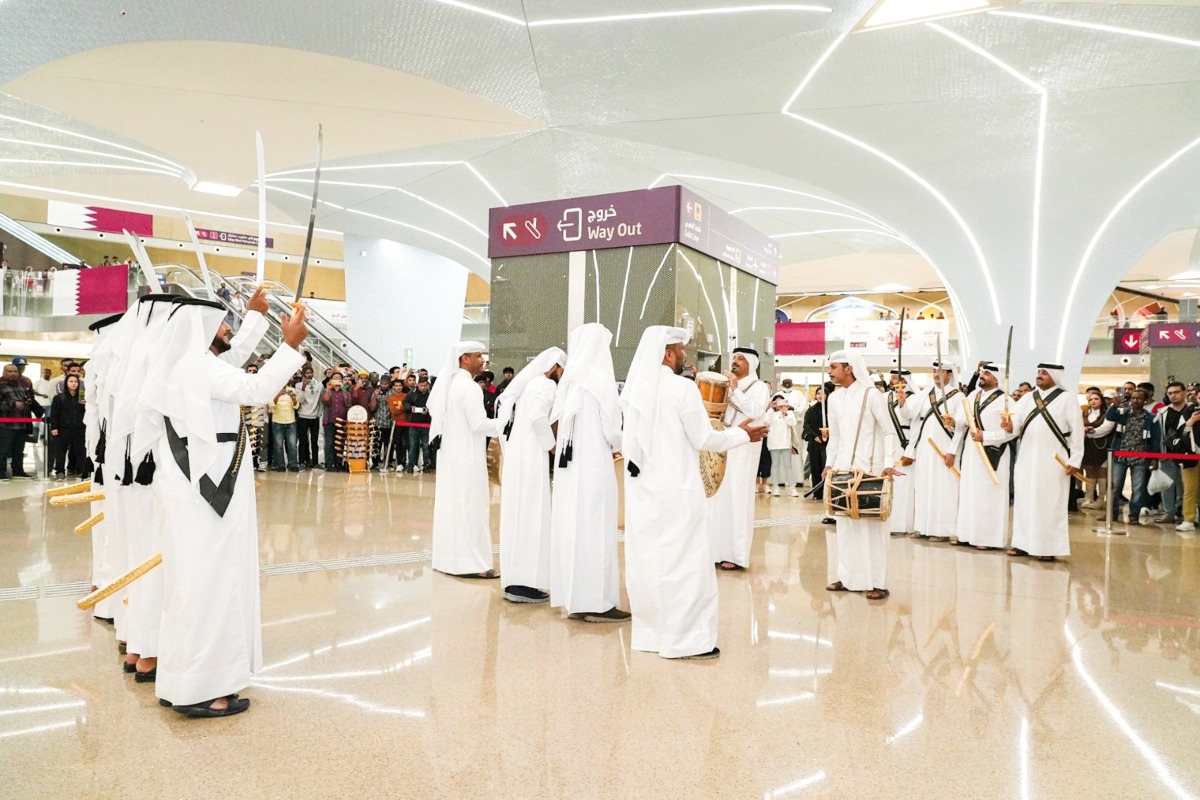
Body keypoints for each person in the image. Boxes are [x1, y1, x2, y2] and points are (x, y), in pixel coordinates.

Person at [148, 297, 308, 717]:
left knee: (191, 583)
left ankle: (182, 680)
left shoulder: (187, 364)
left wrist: (256, 317)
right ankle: (202, 691)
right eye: (221, 324)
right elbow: (255, 389)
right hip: (208, 489)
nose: (227, 330)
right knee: (210, 584)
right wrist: (290, 345)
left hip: (193, 486)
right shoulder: (200, 367)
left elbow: (233, 360)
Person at [620, 326, 767, 660]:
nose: (684, 355)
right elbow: (705, 439)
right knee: (684, 563)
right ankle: (686, 640)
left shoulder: (634, 390)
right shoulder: (681, 388)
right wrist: (742, 435)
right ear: (667, 354)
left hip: (643, 492)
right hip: (677, 490)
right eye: (680, 349)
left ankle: (651, 636)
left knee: (647, 561)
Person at [548, 324, 628, 622]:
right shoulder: (600, 382)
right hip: (594, 468)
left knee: (574, 529)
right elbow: (613, 432)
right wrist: (623, 446)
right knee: (597, 529)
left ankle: (577, 600)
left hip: (569, 473)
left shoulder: (569, 384)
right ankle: (598, 603)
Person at [822, 351, 902, 601]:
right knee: (845, 526)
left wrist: (888, 463)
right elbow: (835, 436)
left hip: (871, 468)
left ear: (849, 368)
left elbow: (889, 431)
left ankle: (878, 582)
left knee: (872, 528)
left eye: (834, 367)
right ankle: (848, 578)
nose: (830, 371)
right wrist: (829, 464)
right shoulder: (834, 398)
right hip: (843, 469)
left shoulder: (872, 395)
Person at [495, 347, 567, 603]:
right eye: (562, 370)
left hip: (519, 457)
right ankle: (524, 583)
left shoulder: (528, 385)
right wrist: (553, 446)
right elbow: (538, 417)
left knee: (519, 517)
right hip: (531, 458)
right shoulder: (547, 385)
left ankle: (517, 580)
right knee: (531, 517)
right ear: (555, 367)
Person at [428, 342, 505, 578]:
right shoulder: (470, 388)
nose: (483, 360)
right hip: (468, 458)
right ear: (464, 359)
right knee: (472, 509)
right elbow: (479, 424)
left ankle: (449, 560)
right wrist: (506, 423)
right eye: (478, 356)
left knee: (453, 507)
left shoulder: (449, 385)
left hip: (451, 457)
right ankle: (474, 564)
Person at [1002, 364, 1085, 561]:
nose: (1039, 375)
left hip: (1054, 460)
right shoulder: (1027, 398)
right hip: (1026, 458)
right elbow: (1016, 427)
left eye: (1044, 373)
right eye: (1038, 372)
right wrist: (1009, 426)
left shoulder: (1067, 398)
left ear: (1055, 376)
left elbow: (1077, 430)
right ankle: (1022, 543)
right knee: (1024, 501)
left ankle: (1048, 547)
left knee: (1049, 503)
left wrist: (1075, 459)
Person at [709, 347, 770, 570]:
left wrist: (734, 390)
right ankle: (717, 551)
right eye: (734, 358)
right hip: (724, 442)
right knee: (719, 498)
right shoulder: (728, 384)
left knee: (738, 499)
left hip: (744, 448)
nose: (734, 361)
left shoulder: (759, 387)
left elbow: (755, 411)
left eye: (740, 359)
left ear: (751, 364)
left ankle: (736, 555)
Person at [951, 362, 1014, 550]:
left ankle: (987, 539)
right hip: (972, 452)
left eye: (987, 373)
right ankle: (966, 534)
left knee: (989, 495)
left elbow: (1012, 431)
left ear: (997, 378)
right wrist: (953, 421)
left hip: (994, 453)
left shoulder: (1007, 401)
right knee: (970, 492)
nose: (982, 376)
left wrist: (986, 436)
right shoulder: (973, 396)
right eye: (982, 373)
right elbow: (962, 421)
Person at [904, 360, 961, 542]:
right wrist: (902, 402)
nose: (936, 374)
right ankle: (922, 527)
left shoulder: (958, 396)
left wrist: (952, 451)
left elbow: (961, 428)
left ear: (949, 374)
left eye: (940, 371)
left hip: (945, 448)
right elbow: (909, 414)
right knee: (923, 485)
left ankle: (941, 530)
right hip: (924, 447)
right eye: (934, 371)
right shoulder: (924, 394)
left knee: (943, 487)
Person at [1104, 387, 1160, 525]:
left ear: (1145, 400)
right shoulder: (1123, 413)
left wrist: (1154, 458)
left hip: (1141, 457)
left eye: (1139, 398)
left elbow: (1155, 439)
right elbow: (1109, 416)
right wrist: (1114, 405)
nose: (1135, 400)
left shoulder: (1151, 418)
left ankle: (1134, 515)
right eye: (1133, 398)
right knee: (1115, 486)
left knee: (1138, 488)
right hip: (1120, 455)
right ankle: (1111, 513)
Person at [1156, 381, 1199, 530]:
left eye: (1176, 392)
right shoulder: (1163, 412)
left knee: (1186, 487)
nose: (1173, 395)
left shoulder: (1190, 409)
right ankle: (1171, 513)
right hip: (1172, 452)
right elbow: (1168, 432)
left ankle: (1184, 513)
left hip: (1189, 452)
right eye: (1170, 393)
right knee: (1170, 485)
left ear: (1185, 392)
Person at [885, 369, 917, 536]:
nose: (894, 381)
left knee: (904, 485)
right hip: (887, 442)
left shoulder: (914, 398)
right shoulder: (885, 397)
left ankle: (903, 525)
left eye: (897, 378)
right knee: (888, 485)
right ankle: (888, 523)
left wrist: (903, 402)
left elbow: (911, 417)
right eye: (892, 378)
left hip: (905, 443)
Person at [0, 363, 37, 479]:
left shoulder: (22, 386)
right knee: (3, 450)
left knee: (19, 450)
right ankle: (1, 472)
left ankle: (18, 471)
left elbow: (28, 399)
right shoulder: (1, 385)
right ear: (4, 372)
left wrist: (27, 402)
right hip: (5, 424)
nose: (13, 374)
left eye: (15, 371)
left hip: (21, 424)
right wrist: (13, 404)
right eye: (10, 371)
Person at [1080, 388, 1114, 509]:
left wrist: (1090, 433)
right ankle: (1089, 497)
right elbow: (1078, 426)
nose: (1093, 401)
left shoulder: (1107, 413)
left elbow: (1106, 428)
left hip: (1102, 445)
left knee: (1101, 471)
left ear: (1101, 400)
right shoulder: (1085, 413)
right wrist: (1083, 431)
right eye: (1091, 399)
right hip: (1088, 445)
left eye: (1096, 399)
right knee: (1089, 470)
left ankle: (1100, 499)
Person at [48, 373, 86, 478]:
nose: (74, 384)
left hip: (79, 428)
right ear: (66, 383)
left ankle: (81, 470)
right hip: (63, 429)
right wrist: (54, 427)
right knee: (61, 450)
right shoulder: (59, 397)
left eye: (76, 382)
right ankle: (60, 471)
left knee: (80, 450)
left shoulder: (82, 397)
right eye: (71, 381)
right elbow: (54, 413)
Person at [765, 393, 798, 497]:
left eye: (781, 402)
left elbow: (792, 423)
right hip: (774, 443)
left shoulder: (789, 413)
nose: (779, 404)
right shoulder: (771, 413)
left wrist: (785, 413)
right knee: (775, 465)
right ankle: (775, 487)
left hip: (786, 443)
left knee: (788, 466)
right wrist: (771, 408)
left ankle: (792, 488)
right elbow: (766, 422)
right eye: (777, 402)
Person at [322, 372, 351, 471]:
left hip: (342, 422)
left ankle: (338, 463)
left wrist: (347, 422)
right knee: (329, 442)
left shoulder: (346, 393)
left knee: (340, 443)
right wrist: (328, 389)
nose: (336, 380)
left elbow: (348, 407)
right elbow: (325, 401)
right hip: (329, 421)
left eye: (339, 378)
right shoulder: (327, 391)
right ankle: (329, 463)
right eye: (334, 378)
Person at [270, 377, 300, 471]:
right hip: (277, 422)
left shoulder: (292, 390)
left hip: (290, 422)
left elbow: (296, 406)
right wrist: (278, 395)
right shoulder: (272, 390)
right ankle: (280, 465)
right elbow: (271, 405)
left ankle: (293, 465)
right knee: (278, 445)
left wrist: (294, 399)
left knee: (292, 445)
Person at [295, 365, 322, 469]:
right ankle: (302, 462)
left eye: (310, 373)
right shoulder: (298, 385)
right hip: (302, 416)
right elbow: (300, 400)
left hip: (314, 417)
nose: (309, 375)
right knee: (302, 441)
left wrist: (318, 413)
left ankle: (315, 462)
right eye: (307, 373)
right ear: (303, 374)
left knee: (314, 441)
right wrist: (303, 389)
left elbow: (320, 401)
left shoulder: (318, 385)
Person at [403, 378, 432, 472]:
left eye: (424, 386)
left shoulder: (430, 394)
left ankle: (426, 465)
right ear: (418, 384)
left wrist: (429, 409)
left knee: (426, 446)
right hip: (414, 423)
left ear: (427, 385)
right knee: (413, 446)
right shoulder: (412, 393)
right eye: (421, 385)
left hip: (426, 423)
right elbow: (405, 402)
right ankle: (410, 466)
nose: (423, 387)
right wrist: (411, 408)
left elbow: (435, 405)